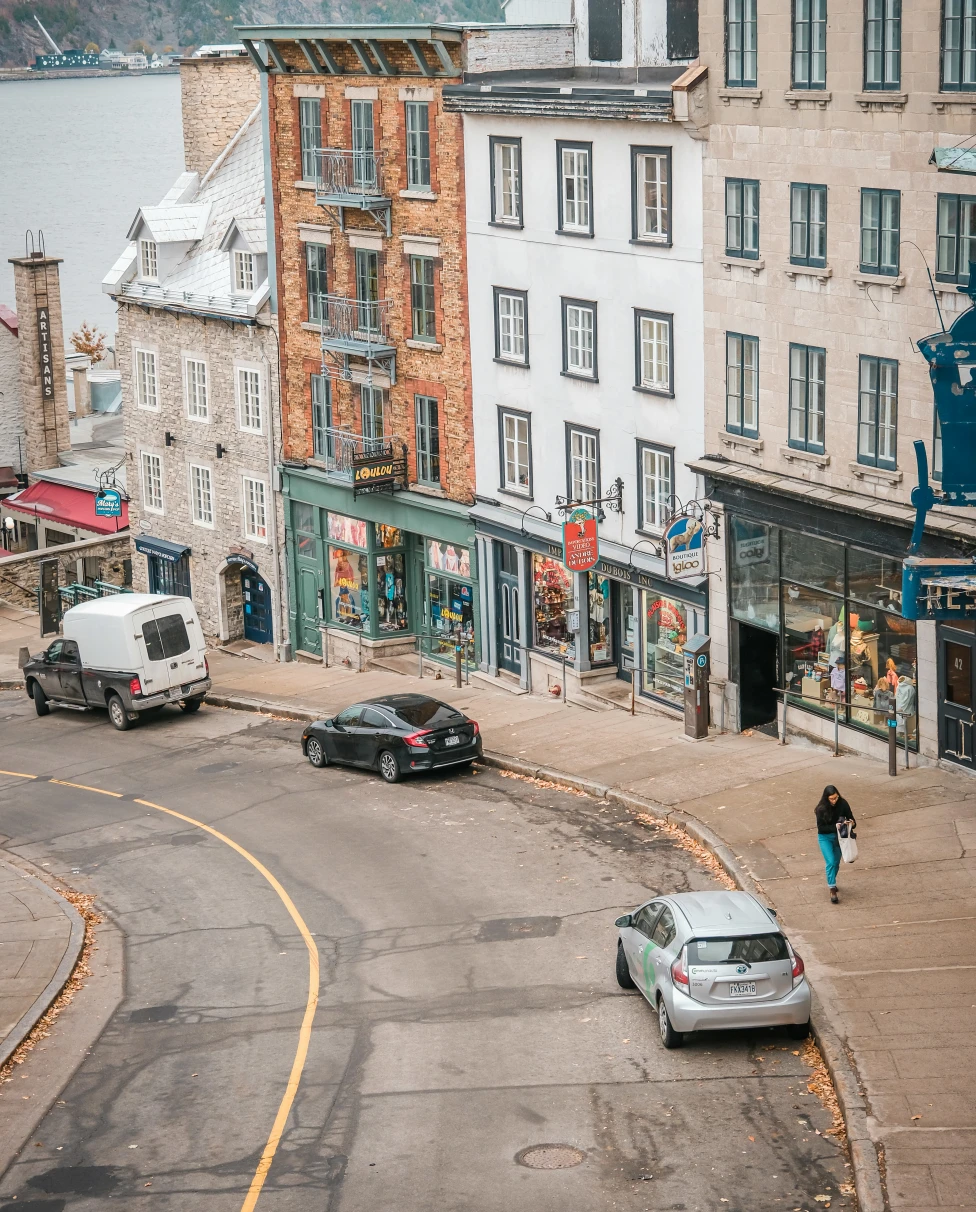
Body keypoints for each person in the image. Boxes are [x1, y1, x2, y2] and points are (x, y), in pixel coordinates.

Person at [815, 785, 856, 904]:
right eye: (831, 799)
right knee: (831, 861)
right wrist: (835, 826)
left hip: (840, 838)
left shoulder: (843, 804)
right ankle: (832, 888)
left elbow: (852, 819)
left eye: (836, 798)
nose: (834, 801)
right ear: (826, 798)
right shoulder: (821, 809)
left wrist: (851, 823)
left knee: (836, 863)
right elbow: (821, 828)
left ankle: (832, 880)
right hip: (825, 838)